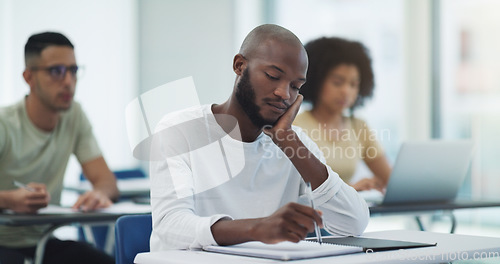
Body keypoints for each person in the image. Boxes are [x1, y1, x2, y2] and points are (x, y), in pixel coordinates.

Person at [149, 24, 369, 251]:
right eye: (273, 76)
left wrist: (287, 140)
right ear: (239, 66)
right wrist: (258, 229)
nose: (284, 94)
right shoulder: (179, 130)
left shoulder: (295, 143)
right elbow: (170, 227)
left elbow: (354, 223)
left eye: (295, 86)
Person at [0, 32, 118, 264]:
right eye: (56, 71)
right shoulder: (5, 125)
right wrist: (9, 200)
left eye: (73, 71)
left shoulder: (74, 115)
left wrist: (99, 194)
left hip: (42, 241)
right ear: (28, 77)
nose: (68, 81)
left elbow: (107, 182)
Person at [293, 37, 391, 192]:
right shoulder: (295, 127)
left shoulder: (359, 127)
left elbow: (391, 179)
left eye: (353, 84)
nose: (346, 91)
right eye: (337, 82)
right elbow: (294, 191)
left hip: (348, 213)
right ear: (317, 81)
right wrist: (350, 189)